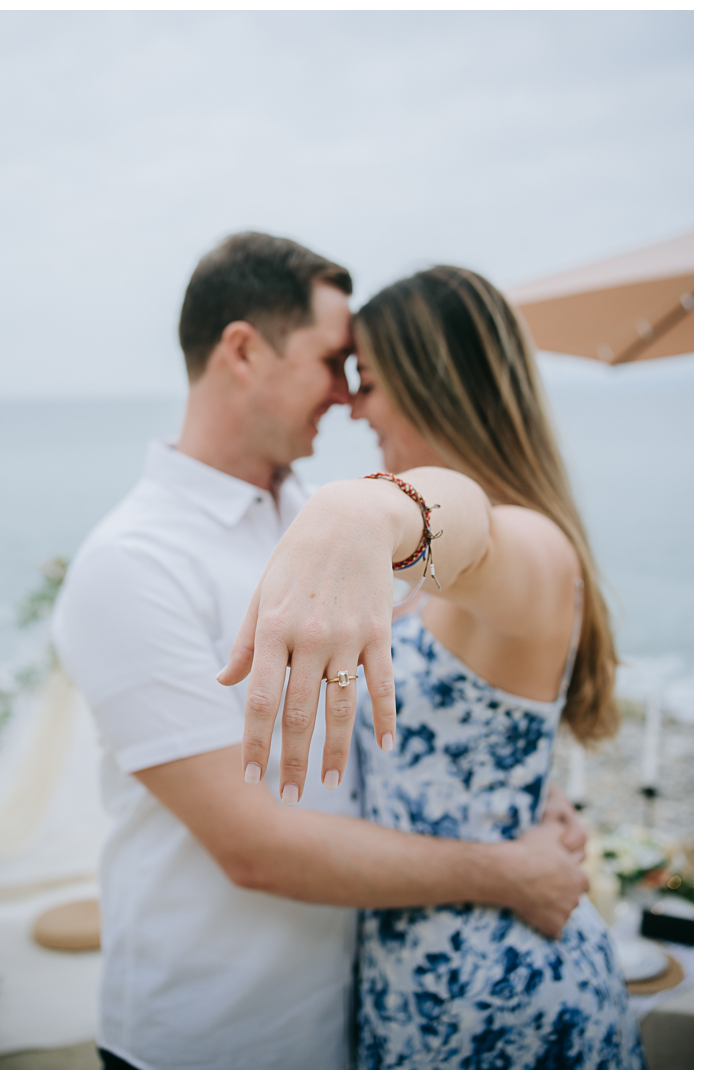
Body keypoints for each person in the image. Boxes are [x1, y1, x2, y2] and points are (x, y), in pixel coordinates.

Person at [53, 234, 588, 1071]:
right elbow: (253, 847)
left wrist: (522, 788)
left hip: (358, 1018)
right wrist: (508, 867)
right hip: (211, 1040)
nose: (346, 401)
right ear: (242, 350)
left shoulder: (320, 522)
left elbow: (470, 605)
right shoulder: (132, 563)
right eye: (336, 363)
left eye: (361, 377)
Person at [220, 265, 645, 1069]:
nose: (353, 405)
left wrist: (371, 507)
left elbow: (471, 525)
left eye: (370, 381)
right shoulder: (436, 586)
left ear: (435, 382)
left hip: (507, 995)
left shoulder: (534, 547)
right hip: (409, 984)